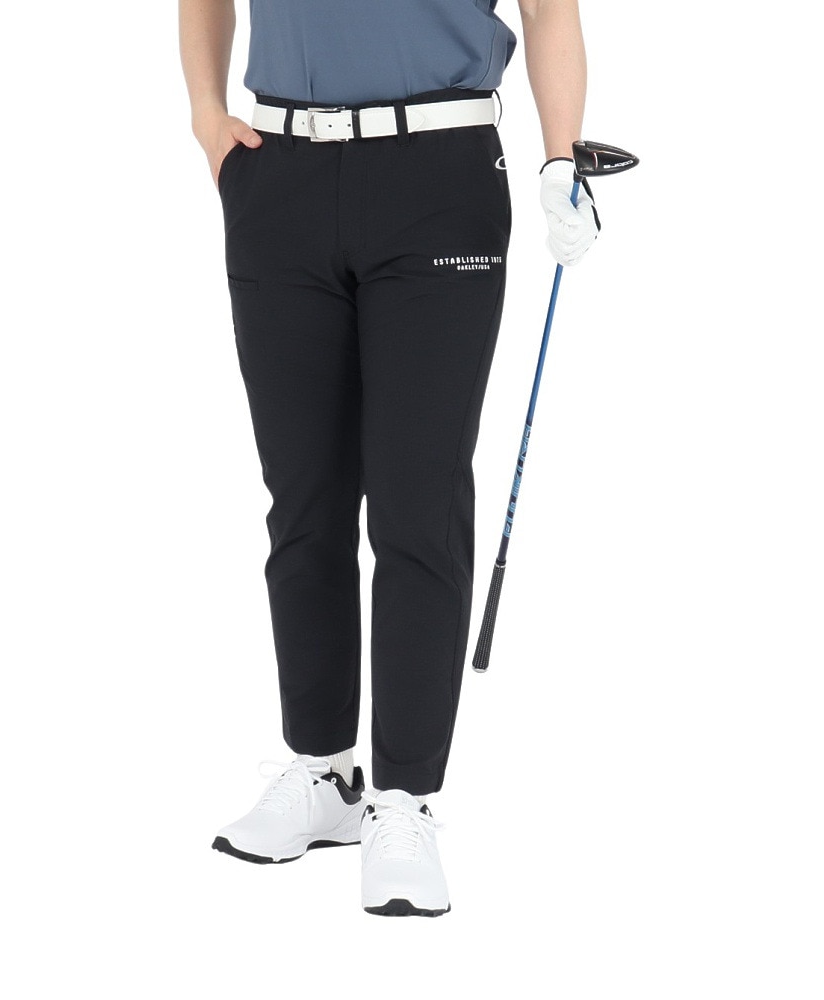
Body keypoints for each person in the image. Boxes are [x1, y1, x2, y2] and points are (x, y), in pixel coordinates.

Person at [178, 0, 599, 917]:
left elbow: (546, 8)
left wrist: (561, 159)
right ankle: (324, 772)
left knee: (417, 500)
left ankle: (402, 798)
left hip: (438, 172)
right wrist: (208, 116)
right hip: (279, 171)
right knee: (304, 499)